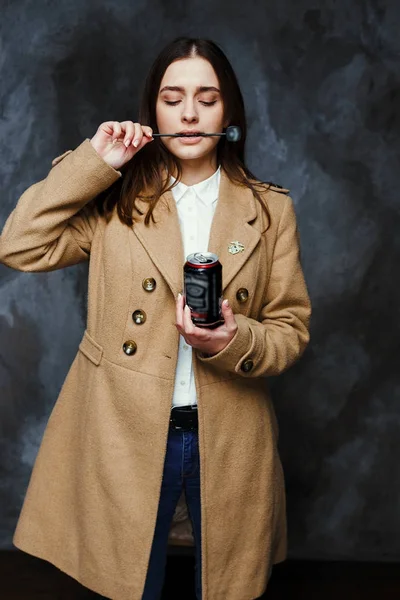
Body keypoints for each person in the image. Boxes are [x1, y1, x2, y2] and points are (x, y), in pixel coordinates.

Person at [0, 37, 311, 600]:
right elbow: (19, 245)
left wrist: (232, 337)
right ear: (154, 112)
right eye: (173, 98)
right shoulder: (113, 199)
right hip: (121, 432)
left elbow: (291, 331)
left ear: (229, 113)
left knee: (219, 588)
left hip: (229, 436)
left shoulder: (270, 210)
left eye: (206, 98)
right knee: (130, 587)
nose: (189, 113)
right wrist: (94, 162)